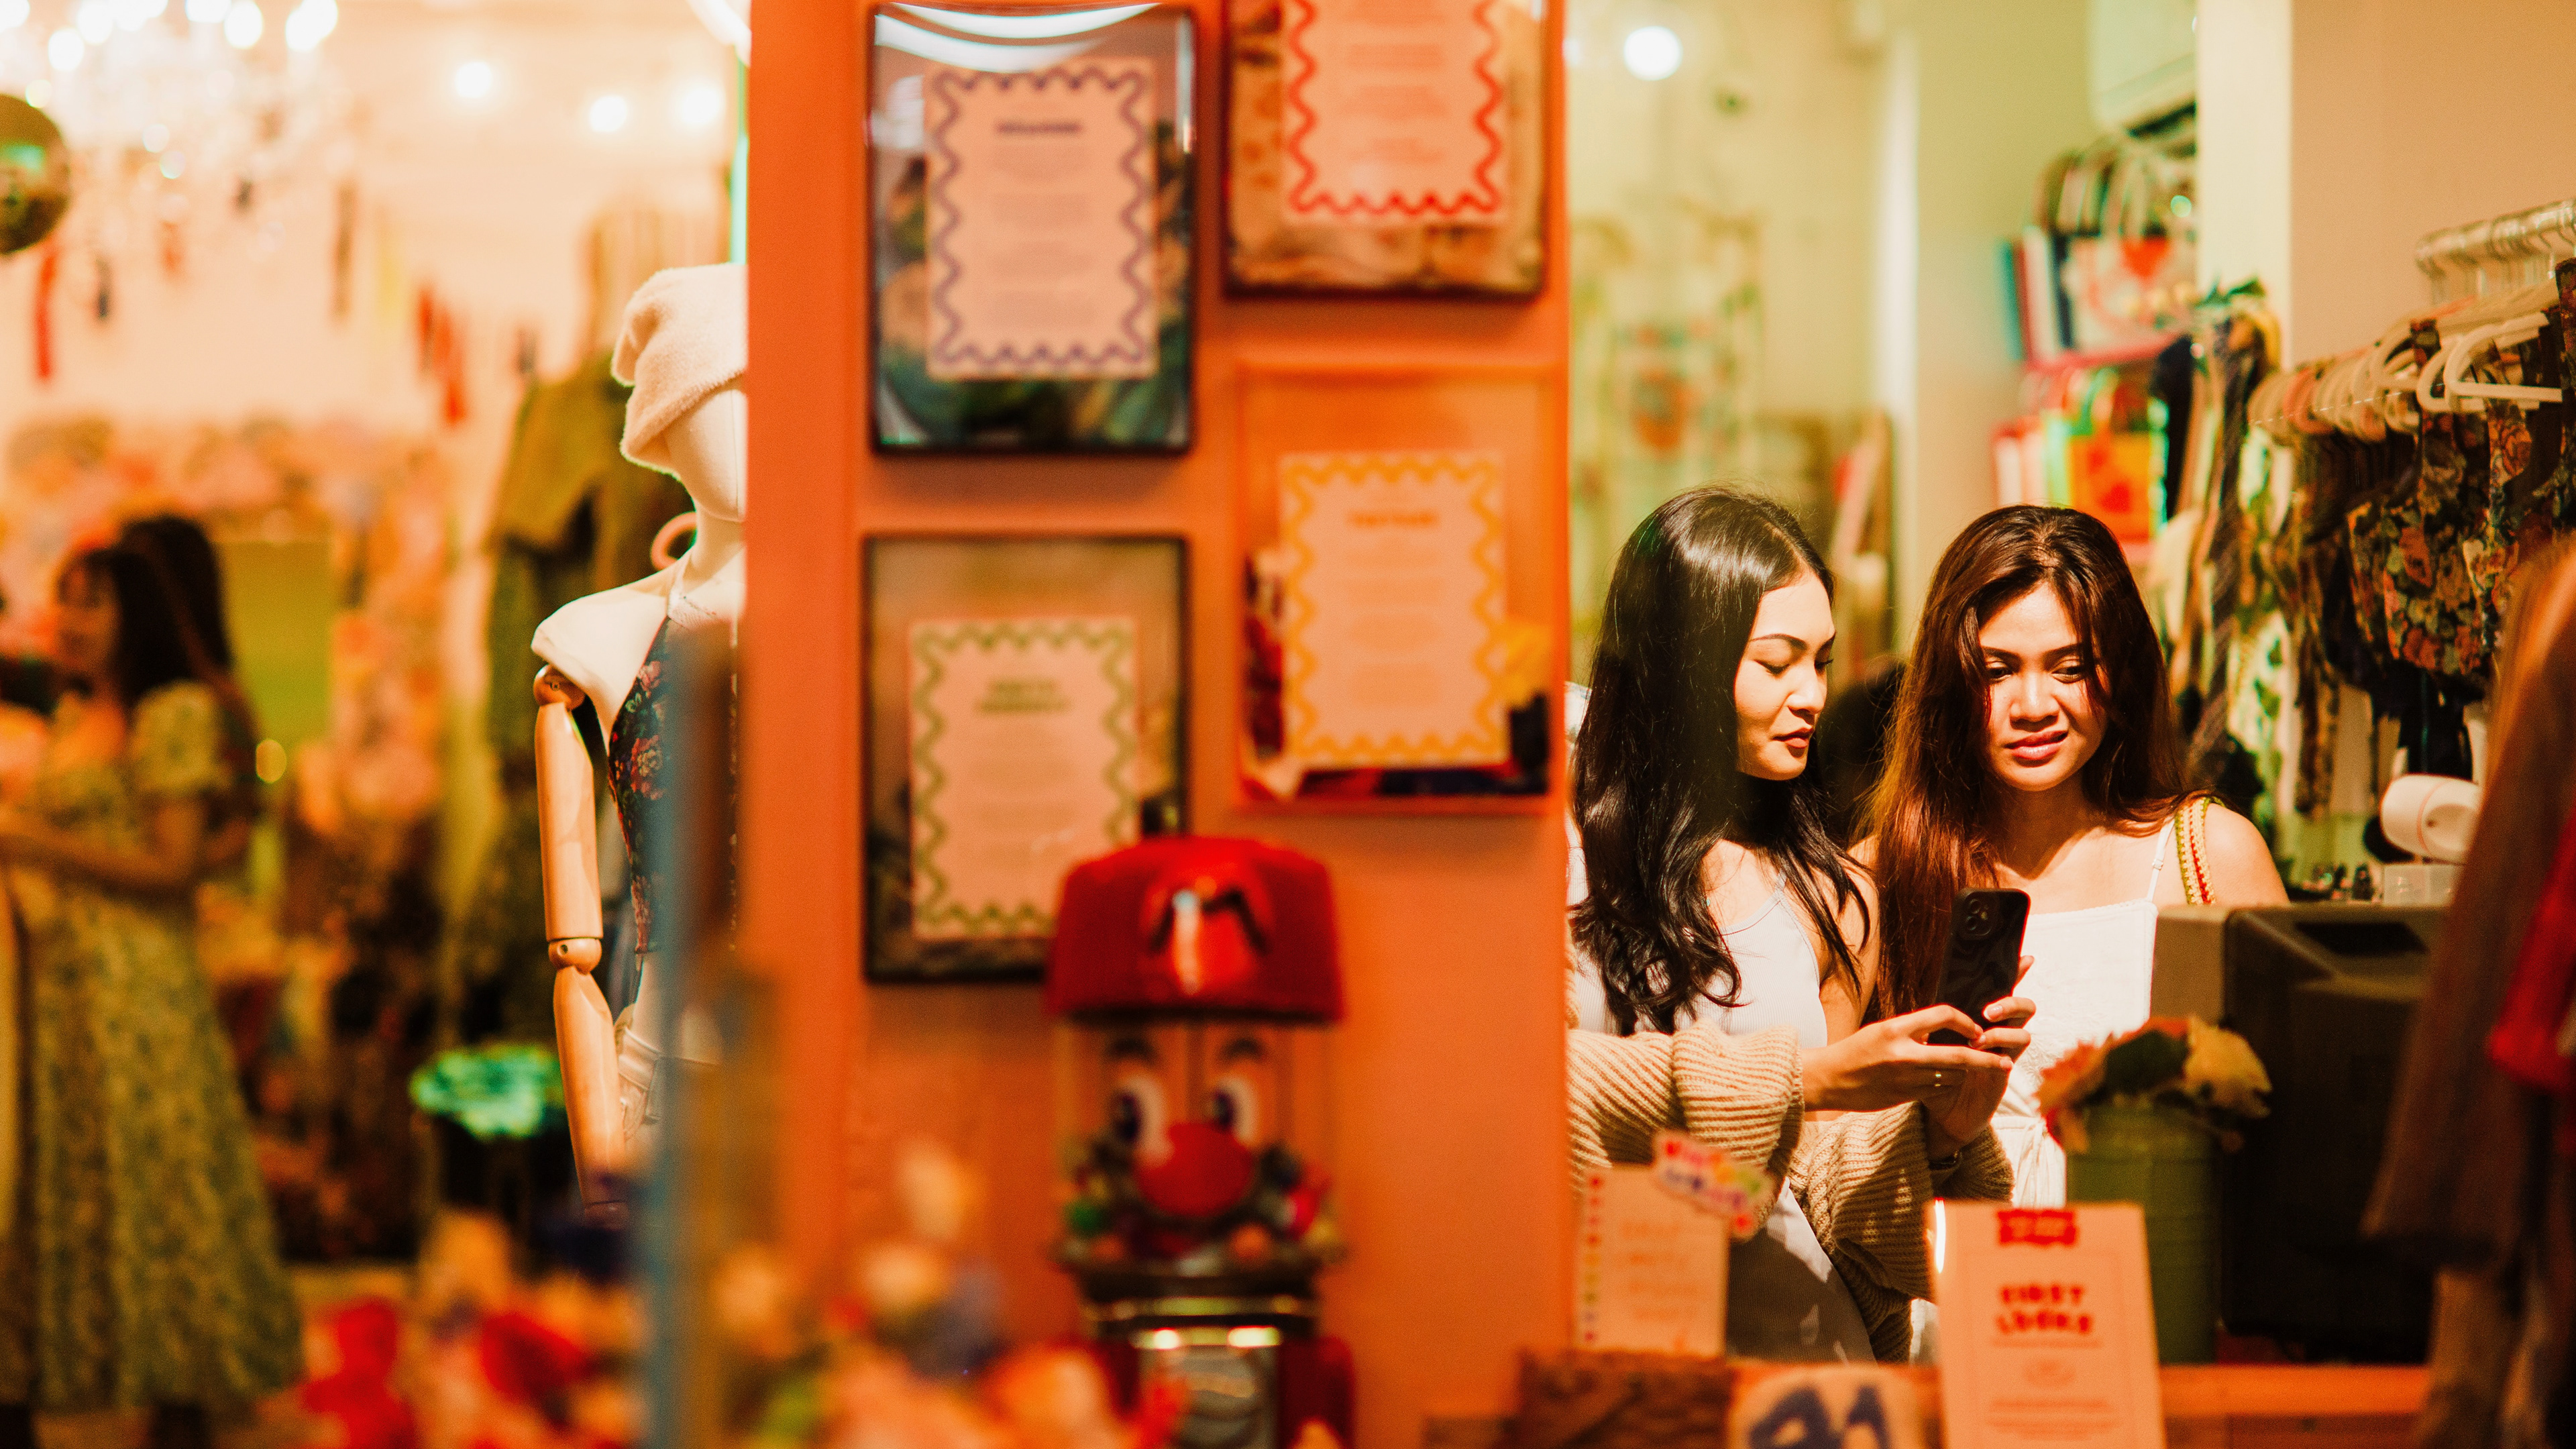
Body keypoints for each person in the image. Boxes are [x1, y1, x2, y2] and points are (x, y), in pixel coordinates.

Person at [1564, 486, 2033, 1362]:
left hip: (1798, 1346)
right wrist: (1806, 1081)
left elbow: (1799, 1183)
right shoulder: (1560, 846)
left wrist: (1937, 1131)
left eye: (1820, 661)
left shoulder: (1829, 894)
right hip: (1599, 1334)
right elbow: (1527, 1091)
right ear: (1686, 662)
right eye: (1776, 662)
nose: (1810, 695)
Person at [1864, 506, 2286, 1208]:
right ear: (1949, 681)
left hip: (2151, 1282)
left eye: (2071, 668)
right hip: (1940, 1295)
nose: (2035, 705)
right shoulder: (1880, 874)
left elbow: (2284, 1123)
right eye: (1997, 670)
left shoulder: (2206, 855)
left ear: (2121, 673)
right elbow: (1819, 1132)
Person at [0, 545, 302, 1448]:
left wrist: (26, 841)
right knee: (85, 1189)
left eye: (92, 603)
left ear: (137, 610)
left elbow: (174, 866)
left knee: (160, 1185)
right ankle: (95, 1380)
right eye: (65, 604)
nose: (74, 622)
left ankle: (184, 1394)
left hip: (140, 986)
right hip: (61, 987)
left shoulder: (174, 711)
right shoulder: (70, 715)